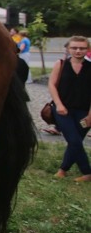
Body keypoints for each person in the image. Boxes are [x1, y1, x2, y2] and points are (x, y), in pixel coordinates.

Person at [48, 35, 91, 182]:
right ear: (68, 48)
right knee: (74, 140)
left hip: (84, 111)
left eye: (82, 48)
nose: (78, 51)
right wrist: (59, 105)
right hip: (62, 110)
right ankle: (87, 172)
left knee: (76, 141)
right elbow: (52, 85)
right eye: (74, 47)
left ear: (87, 49)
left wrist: (90, 115)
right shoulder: (60, 64)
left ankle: (63, 170)